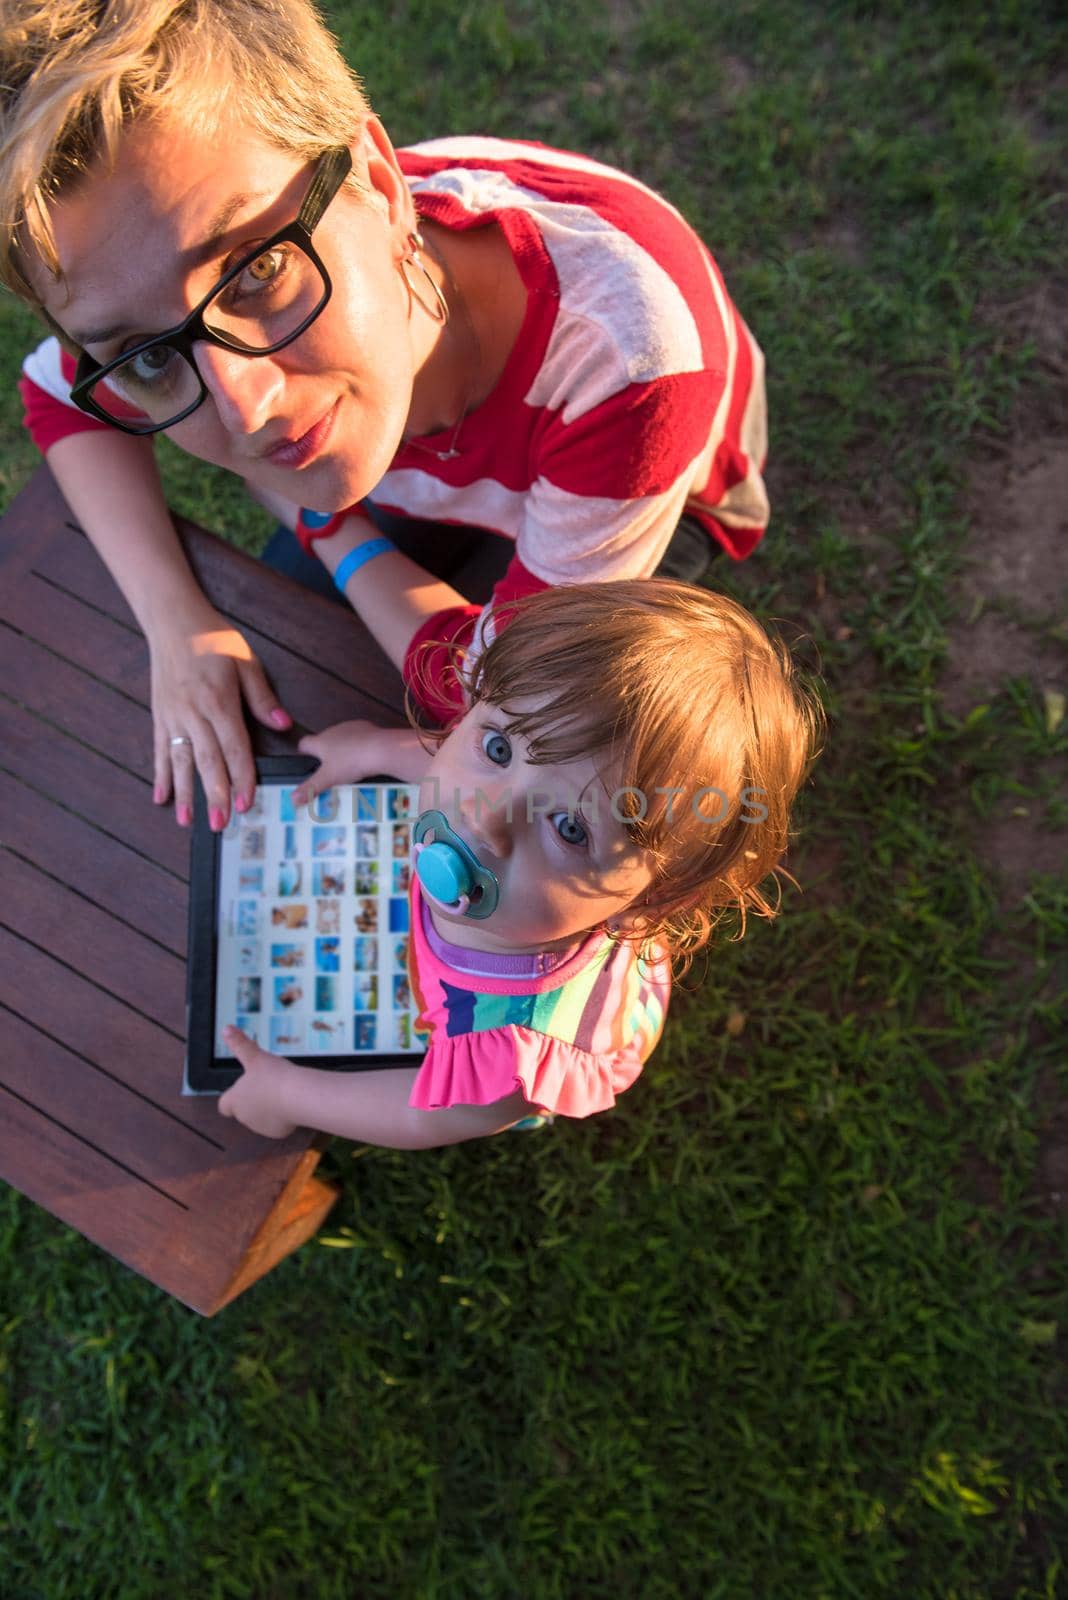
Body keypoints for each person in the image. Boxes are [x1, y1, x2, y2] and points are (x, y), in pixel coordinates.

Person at [0, 0, 769, 833]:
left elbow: (507, 704)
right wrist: (174, 620)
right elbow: (54, 393)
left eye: (259, 271)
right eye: (150, 355)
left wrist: (326, 527)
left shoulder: (634, 366)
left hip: (652, 481)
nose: (247, 406)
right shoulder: (225, 245)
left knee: (563, 767)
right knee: (302, 685)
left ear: (379, 186)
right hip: (409, 477)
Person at [215, 580, 820, 1145]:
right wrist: (374, 747)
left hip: (524, 1040)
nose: (485, 819)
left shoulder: (514, 1045)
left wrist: (288, 1094)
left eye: (569, 827)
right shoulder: (508, 833)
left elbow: (421, 1116)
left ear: (650, 900)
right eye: (501, 747)